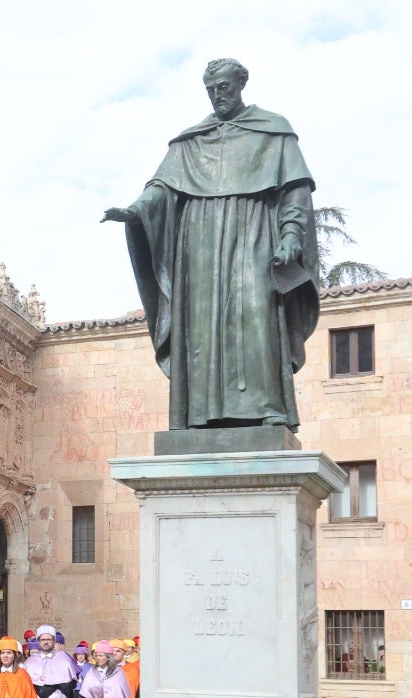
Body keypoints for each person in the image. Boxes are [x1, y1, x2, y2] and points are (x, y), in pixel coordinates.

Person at [104, 58, 318, 432]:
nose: (217, 95)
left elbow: (295, 193)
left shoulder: (273, 131)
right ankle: (198, 414)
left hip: (253, 235)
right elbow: (161, 188)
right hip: (199, 244)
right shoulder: (191, 140)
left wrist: (289, 237)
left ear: (241, 83)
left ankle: (267, 405)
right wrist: (135, 211)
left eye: (224, 87)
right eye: (211, 89)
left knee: (256, 312)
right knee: (201, 326)